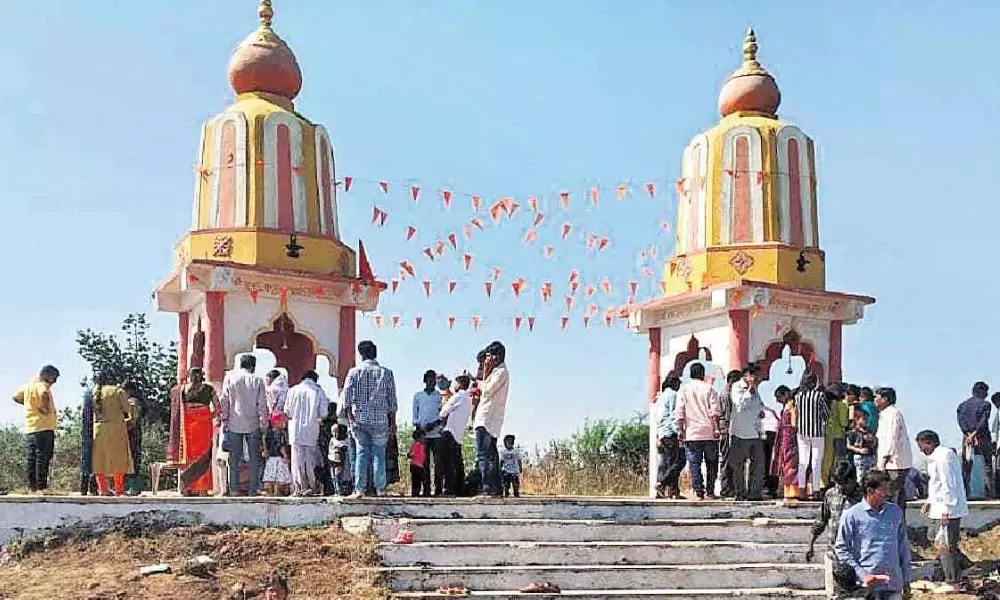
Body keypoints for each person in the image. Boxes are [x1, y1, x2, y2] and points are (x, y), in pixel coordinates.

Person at [835, 470, 911, 599]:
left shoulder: (895, 512)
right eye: (884, 490)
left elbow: (903, 546)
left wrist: (906, 578)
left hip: (892, 584)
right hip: (866, 588)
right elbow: (841, 549)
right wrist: (862, 574)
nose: (888, 493)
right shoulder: (852, 515)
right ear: (870, 491)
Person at [343, 340, 398, 498]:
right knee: (378, 454)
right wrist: (392, 422)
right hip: (380, 419)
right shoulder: (386, 373)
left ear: (361, 354)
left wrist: (350, 417)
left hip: (359, 418)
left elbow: (346, 397)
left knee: (361, 452)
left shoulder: (354, 372)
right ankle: (380, 489)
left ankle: (360, 489)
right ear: (375, 353)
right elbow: (392, 400)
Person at [917, 430, 968, 588]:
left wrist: (946, 510)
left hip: (947, 509)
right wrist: (930, 501)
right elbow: (936, 483)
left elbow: (948, 485)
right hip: (938, 507)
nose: (920, 450)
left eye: (921, 446)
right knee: (934, 536)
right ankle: (964, 564)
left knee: (945, 546)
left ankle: (952, 581)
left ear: (929, 443)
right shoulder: (935, 458)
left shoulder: (944, 457)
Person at [807, 460, 862, 599]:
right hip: (835, 555)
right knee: (835, 595)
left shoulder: (865, 498)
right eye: (838, 483)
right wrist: (811, 544)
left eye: (844, 483)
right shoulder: (831, 494)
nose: (841, 488)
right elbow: (821, 519)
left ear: (854, 480)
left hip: (859, 558)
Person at [219, 355, 268, 496]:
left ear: (240, 365)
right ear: (253, 366)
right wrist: (263, 424)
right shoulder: (258, 380)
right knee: (254, 459)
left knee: (233, 459)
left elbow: (224, 401)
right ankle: (253, 489)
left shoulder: (230, 378)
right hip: (253, 424)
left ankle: (234, 489)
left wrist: (224, 420)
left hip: (234, 423)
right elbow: (262, 405)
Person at [675, 362, 722, 500]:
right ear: (702, 374)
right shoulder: (710, 389)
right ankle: (711, 491)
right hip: (709, 431)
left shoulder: (683, 390)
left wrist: (680, 430)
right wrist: (717, 428)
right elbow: (715, 411)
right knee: (711, 463)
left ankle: (698, 491)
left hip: (692, 433)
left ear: (690, 374)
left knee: (694, 463)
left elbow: (679, 411)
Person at [168, 367, 218, 495]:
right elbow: (218, 408)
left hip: (190, 423)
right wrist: (207, 416)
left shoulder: (182, 389)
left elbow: (218, 408)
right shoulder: (208, 389)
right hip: (200, 423)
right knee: (200, 454)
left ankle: (188, 488)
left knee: (192, 455)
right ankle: (199, 489)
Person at [470, 341, 510, 497]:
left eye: (489, 356)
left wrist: (485, 370)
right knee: (490, 454)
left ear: (496, 356)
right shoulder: (497, 373)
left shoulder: (500, 373)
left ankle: (489, 488)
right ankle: (495, 488)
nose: (487, 361)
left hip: (487, 418)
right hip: (487, 418)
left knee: (484, 455)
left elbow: (486, 390)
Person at [12, 365, 60, 493]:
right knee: (43, 456)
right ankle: (42, 487)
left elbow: (16, 397)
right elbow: (44, 393)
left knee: (32, 457)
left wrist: (29, 404)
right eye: (54, 378)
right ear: (47, 375)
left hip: (31, 427)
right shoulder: (42, 385)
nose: (54, 382)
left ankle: (32, 487)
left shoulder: (29, 385)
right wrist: (45, 408)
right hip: (44, 426)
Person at [283, 370, 330, 496]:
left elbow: (287, 411)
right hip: (311, 430)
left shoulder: (293, 390)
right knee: (310, 461)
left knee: (297, 461)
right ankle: (311, 486)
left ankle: (298, 488)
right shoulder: (319, 391)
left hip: (295, 431)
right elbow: (324, 413)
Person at [90, 371, 134, 496]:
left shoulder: (93, 392)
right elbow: (128, 409)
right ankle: (119, 489)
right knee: (118, 459)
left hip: (98, 429)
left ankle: (103, 489)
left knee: (100, 459)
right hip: (116, 428)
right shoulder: (117, 391)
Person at [874, 387, 912, 522]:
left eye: (876, 397)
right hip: (893, 463)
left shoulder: (891, 414)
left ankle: (895, 528)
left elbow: (890, 439)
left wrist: (883, 462)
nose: (874, 400)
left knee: (892, 498)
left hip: (893, 464)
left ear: (885, 399)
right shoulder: (886, 414)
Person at [728, 365, 765, 501]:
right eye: (755, 376)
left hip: (755, 432)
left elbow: (758, 405)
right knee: (738, 465)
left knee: (758, 464)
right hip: (740, 432)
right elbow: (740, 404)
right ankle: (740, 492)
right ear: (747, 375)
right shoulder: (737, 387)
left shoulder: (756, 390)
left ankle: (754, 493)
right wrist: (749, 389)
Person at [795, 373, 828, 500]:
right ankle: (815, 491)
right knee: (816, 462)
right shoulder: (819, 396)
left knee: (803, 462)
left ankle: (801, 491)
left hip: (802, 432)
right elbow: (825, 414)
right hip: (817, 432)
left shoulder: (798, 396)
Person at [958, 381, 994, 499]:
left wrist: (968, 434)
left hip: (967, 438)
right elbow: (983, 421)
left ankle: (965, 492)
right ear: (982, 392)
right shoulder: (986, 405)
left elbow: (961, 421)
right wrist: (975, 434)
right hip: (982, 437)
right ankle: (989, 493)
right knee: (987, 465)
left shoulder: (962, 406)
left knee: (967, 465)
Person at [439, 373, 473, 496]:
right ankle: (459, 488)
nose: (454, 386)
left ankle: (449, 489)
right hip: (459, 434)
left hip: (449, 431)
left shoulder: (458, 396)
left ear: (460, 384)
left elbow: (443, 412)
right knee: (457, 462)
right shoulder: (468, 399)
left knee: (447, 462)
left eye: (456, 383)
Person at [413, 370, 445, 496]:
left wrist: (435, 424)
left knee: (438, 463)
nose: (431, 381)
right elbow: (415, 415)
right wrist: (419, 429)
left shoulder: (439, 396)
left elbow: (443, 415)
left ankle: (438, 489)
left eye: (433, 379)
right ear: (425, 380)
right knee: (423, 463)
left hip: (437, 434)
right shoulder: (418, 396)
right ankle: (426, 489)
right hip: (423, 434)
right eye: (429, 379)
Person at [655, 376, 685, 499]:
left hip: (662, 432)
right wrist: (679, 431)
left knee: (666, 462)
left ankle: (672, 491)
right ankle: (662, 484)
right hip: (670, 432)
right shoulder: (673, 395)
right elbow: (674, 415)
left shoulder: (660, 397)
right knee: (679, 461)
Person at [770, 385, 800, 500]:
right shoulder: (787, 406)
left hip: (788, 438)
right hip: (784, 437)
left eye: (779, 397)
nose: (778, 400)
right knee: (783, 464)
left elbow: (794, 424)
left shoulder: (791, 406)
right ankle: (784, 489)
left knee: (790, 464)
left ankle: (791, 491)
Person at [717, 370, 743, 499]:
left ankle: (729, 487)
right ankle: (726, 488)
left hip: (727, 429)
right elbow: (728, 416)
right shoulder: (728, 394)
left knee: (729, 460)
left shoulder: (725, 393)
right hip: (728, 430)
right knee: (728, 460)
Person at [821, 384, 850, 490]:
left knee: (826, 460)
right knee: (838, 460)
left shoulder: (825, 404)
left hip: (826, 435)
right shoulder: (841, 405)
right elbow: (844, 423)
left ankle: (823, 483)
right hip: (839, 435)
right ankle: (835, 481)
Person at [760, 383, 782, 499]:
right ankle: (772, 488)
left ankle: (766, 488)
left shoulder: (760, 410)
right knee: (773, 462)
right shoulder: (771, 411)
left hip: (764, 435)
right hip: (774, 434)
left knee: (764, 462)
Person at [122, 381, 144, 495]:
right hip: (133, 434)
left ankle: (134, 487)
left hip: (133, 434)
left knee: (133, 460)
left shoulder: (133, 402)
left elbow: (133, 421)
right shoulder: (130, 402)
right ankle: (130, 486)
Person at [846, 410, 878, 483]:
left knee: (871, 476)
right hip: (860, 458)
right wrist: (859, 450)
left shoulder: (869, 431)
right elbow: (848, 445)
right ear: (857, 420)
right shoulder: (853, 432)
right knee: (860, 476)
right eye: (864, 419)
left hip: (871, 457)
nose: (866, 421)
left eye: (867, 419)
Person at [79, 382, 98, 495]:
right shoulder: (97, 394)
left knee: (86, 457)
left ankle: (84, 488)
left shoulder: (88, 394)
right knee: (96, 458)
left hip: (86, 427)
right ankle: (93, 487)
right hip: (97, 428)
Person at [328, 424, 351, 496]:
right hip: (332, 461)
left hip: (339, 462)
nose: (335, 434)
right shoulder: (332, 440)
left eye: (337, 432)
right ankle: (336, 491)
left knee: (338, 477)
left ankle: (340, 491)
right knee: (333, 477)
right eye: (333, 432)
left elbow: (342, 445)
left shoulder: (345, 441)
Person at [408, 429, 429, 497]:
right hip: (416, 466)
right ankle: (416, 493)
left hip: (419, 466)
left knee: (418, 480)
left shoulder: (422, 445)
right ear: (418, 438)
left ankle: (418, 493)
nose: (425, 439)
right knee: (417, 480)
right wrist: (411, 455)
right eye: (423, 437)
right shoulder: (417, 444)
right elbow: (411, 454)